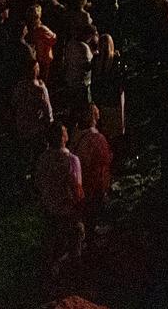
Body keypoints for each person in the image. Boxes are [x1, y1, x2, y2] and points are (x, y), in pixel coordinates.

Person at [35, 121, 84, 281]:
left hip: (50, 207)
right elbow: (77, 189)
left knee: (54, 238)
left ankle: (52, 267)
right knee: (76, 234)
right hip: (67, 210)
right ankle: (74, 267)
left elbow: (39, 182)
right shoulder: (71, 160)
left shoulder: (42, 159)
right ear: (63, 138)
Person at [73, 105, 114, 233]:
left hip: (79, 177)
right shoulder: (97, 138)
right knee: (94, 205)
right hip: (92, 179)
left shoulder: (76, 135)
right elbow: (102, 161)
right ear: (95, 117)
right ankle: (93, 229)